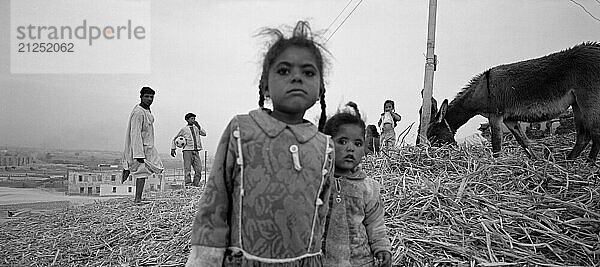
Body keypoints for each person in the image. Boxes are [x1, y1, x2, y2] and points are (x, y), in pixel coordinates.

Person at [186, 21, 334, 266]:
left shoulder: (325, 146)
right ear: (265, 84)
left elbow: (322, 213)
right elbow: (216, 197)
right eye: (284, 71)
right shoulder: (241, 131)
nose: (296, 77)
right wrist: (205, 257)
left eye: (308, 72)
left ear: (320, 88)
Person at [322, 112, 392, 267]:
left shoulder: (368, 187)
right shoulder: (317, 182)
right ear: (327, 145)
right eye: (342, 141)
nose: (351, 149)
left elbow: (375, 222)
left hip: (359, 261)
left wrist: (382, 248)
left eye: (358, 144)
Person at [121, 86, 164, 203]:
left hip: (148, 145)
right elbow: (135, 134)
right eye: (146, 96)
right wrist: (138, 154)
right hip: (141, 147)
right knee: (142, 171)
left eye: (151, 97)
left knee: (153, 166)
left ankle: (128, 169)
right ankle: (137, 198)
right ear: (141, 97)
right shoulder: (138, 113)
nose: (149, 99)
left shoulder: (146, 110)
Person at [171, 113, 207, 187]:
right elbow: (175, 138)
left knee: (199, 169)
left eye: (194, 119)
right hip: (187, 151)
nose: (193, 120)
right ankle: (188, 184)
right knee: (187, 169)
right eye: (191, 118)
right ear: (187, 120)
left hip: (196, 151)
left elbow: (204, 134)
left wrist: (199, 126)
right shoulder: (184, 129)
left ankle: (195, 184)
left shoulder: (196, 128)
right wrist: (173, 148)